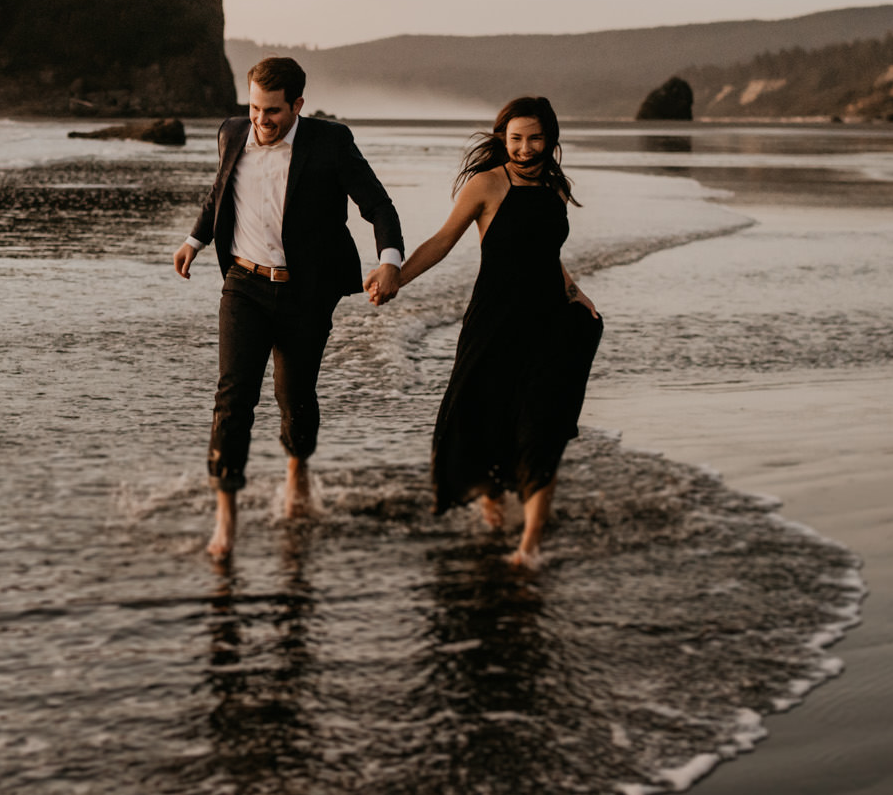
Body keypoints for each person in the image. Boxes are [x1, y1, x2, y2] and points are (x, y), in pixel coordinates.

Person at [174, 57, 405, 559]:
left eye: (273, 111)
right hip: (243, 284)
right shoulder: (232, 132)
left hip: (305, 291)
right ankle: (225, 520)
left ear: (298, 105)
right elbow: (222, 187)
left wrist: (389, 262)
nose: (261, 120)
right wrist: (194, 238)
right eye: (255, 107)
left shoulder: (330, 143)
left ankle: (297, 470)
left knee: (294, 397)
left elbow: (378, 205)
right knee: (233, 400)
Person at [395, 96, 602, 567]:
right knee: (478, 418)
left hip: (551, 324)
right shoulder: (486, 185)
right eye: (515, 139)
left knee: (542, 428)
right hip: (494, 323)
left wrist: (575, 292)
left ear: (549, 140)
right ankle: (492, 508)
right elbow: (443, 242)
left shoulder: (555, 187)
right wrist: (397, 277)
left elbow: (546, 253)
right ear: (501, 138)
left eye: (535, 138)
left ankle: (529, 544)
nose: (525, 148)